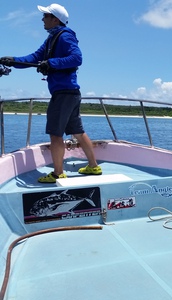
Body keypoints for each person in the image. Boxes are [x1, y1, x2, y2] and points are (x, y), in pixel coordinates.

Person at [0, 3, 101, 183]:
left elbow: (77, 58)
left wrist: (51, 63)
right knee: (77, 131)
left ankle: (57, 173)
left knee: (55, 133)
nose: (42, 19)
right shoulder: (51, 39)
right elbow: (33, 58)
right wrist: (12, 61)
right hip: (71, 92)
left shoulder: (64, 36)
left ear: (55, 19)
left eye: (45, 16)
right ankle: (93, 167)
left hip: (63, 93)